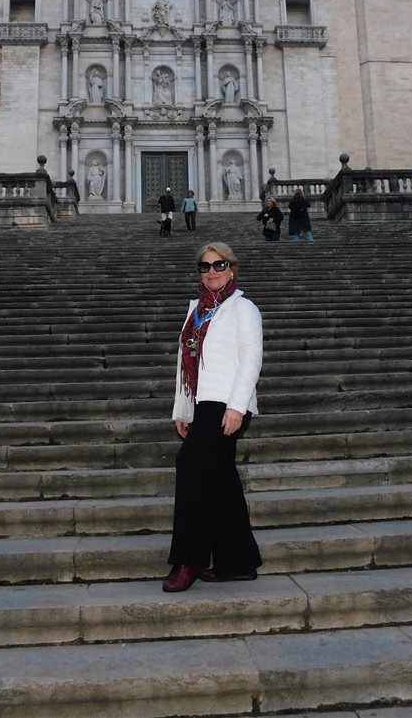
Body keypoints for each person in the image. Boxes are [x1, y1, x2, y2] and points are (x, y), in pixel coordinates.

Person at [163, 242, 263, 592]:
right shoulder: (197, 311)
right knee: (222, 480)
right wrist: (183, 409)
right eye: (205, 267)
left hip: (227, 405)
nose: (212, 271)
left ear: (231, 268)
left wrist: (237, 406)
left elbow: (251, 357)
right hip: (202, 404)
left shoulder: (243, 308)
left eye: (219, 264)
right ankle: (238, 562)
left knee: (190, 466)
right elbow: (184, 365)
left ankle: (189, 560)